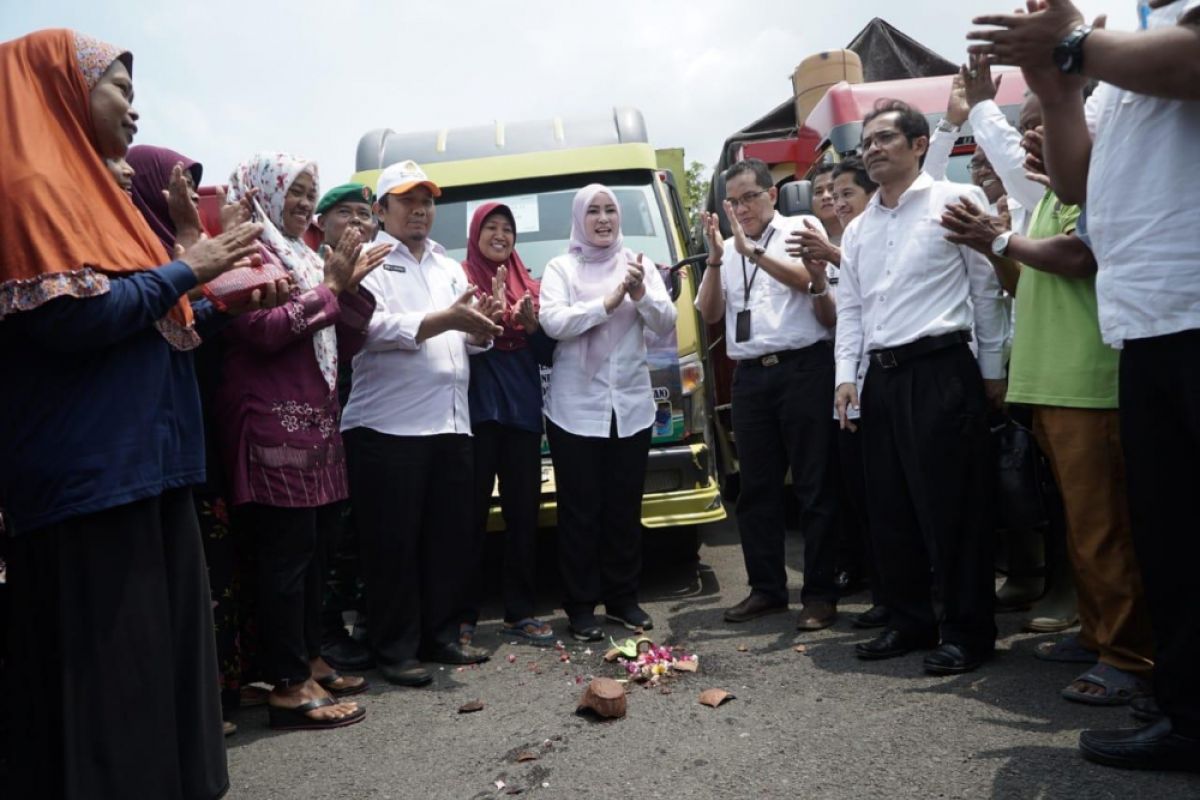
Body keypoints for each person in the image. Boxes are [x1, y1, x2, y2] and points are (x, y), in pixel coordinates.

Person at [0, 29, 264, 799]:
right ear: (63, 89)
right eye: (120, 87)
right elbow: (72, 319)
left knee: (162, 668)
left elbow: (153, 323)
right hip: (90, 477)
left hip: (144, 466)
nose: (136, 109)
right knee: (114, 682)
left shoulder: (98, 198)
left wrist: (207, 288)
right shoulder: (28, 190)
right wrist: (190, 266)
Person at [970, 0, 1200, 771]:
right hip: (1144, 325)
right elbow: (1077, 181)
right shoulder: (1125, 55)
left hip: (1191, 313)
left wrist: (1072, 47)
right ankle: (1187, 714)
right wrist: (1060, 88)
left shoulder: (1157, 43)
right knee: (1170, 541)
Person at [835, 99, 1009, 675]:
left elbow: (985, 292)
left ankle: (968, 632)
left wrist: (992, 373)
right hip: (880, 380)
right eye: (866, 142)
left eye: (886, 138)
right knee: (890, 509)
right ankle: (909, 621)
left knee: (955, 509)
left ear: (918, 145)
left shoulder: (957, 201)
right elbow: (853, 312)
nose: (873, 149)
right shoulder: (858, 228)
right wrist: (845, 379)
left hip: (942, 371)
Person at [217, 152, 389, 731]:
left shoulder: (308, 256)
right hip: (271, 424)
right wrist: (331, 288)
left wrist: (351, 284)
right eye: (294, 190)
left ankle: (309, 655)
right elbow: (260, 330)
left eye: (309, 192)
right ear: (265, 191)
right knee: (285, 557)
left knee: (316, 549)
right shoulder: (244, 246)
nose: (303, 202)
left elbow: (347, 333)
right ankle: (287, 683)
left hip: (318, 425)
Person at [341, 160, 503, 685]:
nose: (420, 210)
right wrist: (447, 321)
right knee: (394, 547)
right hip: (388, 430)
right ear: (381, 210)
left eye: (427, 201)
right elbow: (368, 328)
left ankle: (439, 637)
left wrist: (483, 328)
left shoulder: (447, 265)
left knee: (446, 541)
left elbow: (465, 340)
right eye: (408, 201)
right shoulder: (368, 260)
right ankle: (395, 651)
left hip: (451, 425)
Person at [695, 159, 841, 632]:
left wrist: (751, 251)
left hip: (803, 368)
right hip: (751, 377)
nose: (741, 209)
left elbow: (807, 282)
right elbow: (712, 313)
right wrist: (719, 256)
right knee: (755, 489)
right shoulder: (728, 249)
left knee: (814, 484)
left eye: (749, 198)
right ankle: (766, 590)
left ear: (771, 195)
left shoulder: (802, 226)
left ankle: (819, 595)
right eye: (732, 202)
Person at [538, 184, 677, 641]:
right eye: (593, 211)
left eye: (610, 210)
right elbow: (554, 322)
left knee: (623, 509)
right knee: (580, 513)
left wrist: (640, 293)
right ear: (580, 219)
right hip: (575, 409)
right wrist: (607, 303)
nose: (603, 219)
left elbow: (665, 321)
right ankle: (580, 607)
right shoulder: (562, 267)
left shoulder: (638, 264)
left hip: (631, 407)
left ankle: (622, 600)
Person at [795, 157, 890, 631]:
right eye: (825, 192)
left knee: (894, 493)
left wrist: (831, 258)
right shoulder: (836, 244)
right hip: (845, 378)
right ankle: (880, 584)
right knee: (855, 490)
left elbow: (876, 287)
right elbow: (843, 318)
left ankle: (909, 591)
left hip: (897, 374)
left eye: (843, 191)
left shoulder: (871, 238)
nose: (833, 200)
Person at [461, 203, 557, 646]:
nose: (500, 235)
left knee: (523, 514)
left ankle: (520, 611)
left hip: (520, 411)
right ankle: (463, 613)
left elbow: (546, 356)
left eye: (507, 229)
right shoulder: (458, 280)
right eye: (491, 227)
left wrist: (532, 326)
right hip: (475, 412)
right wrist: (484, 320)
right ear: (476, 233)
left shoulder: (531, 286)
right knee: (468, 515)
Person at [312, 181, 378, 672]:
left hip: (357, 414)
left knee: (357, 526)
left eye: (366, 215)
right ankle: (324, 634)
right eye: (347, 214)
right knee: (323, 534)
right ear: (323, 223)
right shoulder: (307, 265)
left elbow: (357, 337)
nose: (359, 224)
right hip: (307, 414)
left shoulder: (366, 270)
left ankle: (358, 625)